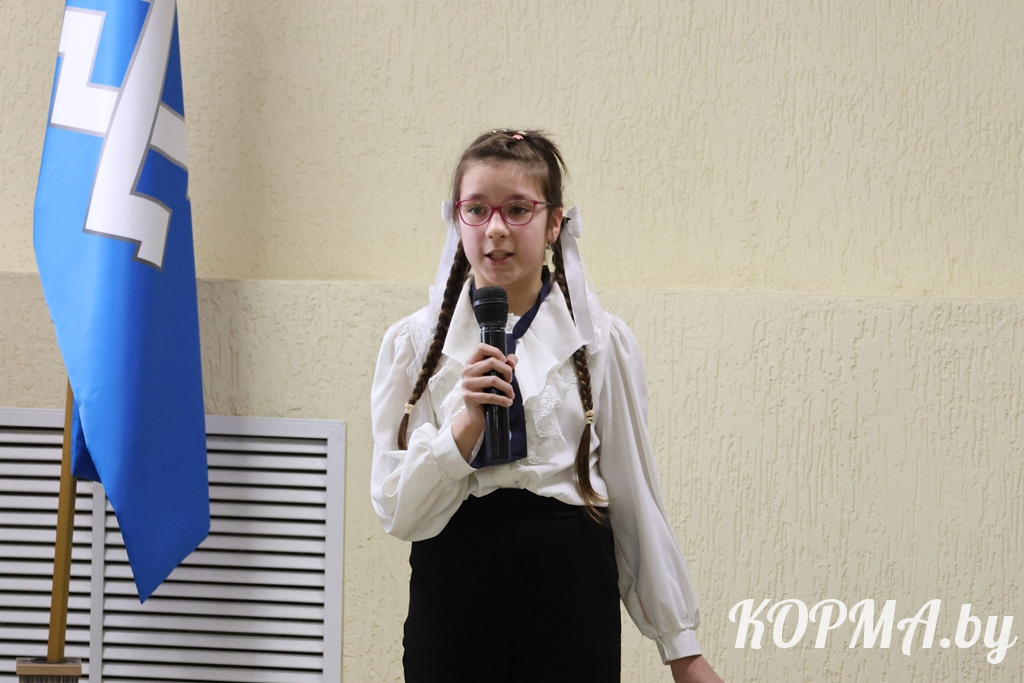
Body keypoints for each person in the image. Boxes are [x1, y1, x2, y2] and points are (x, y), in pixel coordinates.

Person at [370, 129, 723, 683]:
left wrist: (681, 647)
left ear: (555, 223)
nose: (495, 229)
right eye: (477, 210)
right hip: (456, 589)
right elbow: (398, 511)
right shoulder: (414, 345)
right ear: (457, 219)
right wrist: (463, 428)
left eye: (517, 210)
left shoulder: (600, 342)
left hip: (570, 590)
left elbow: (634, 496)